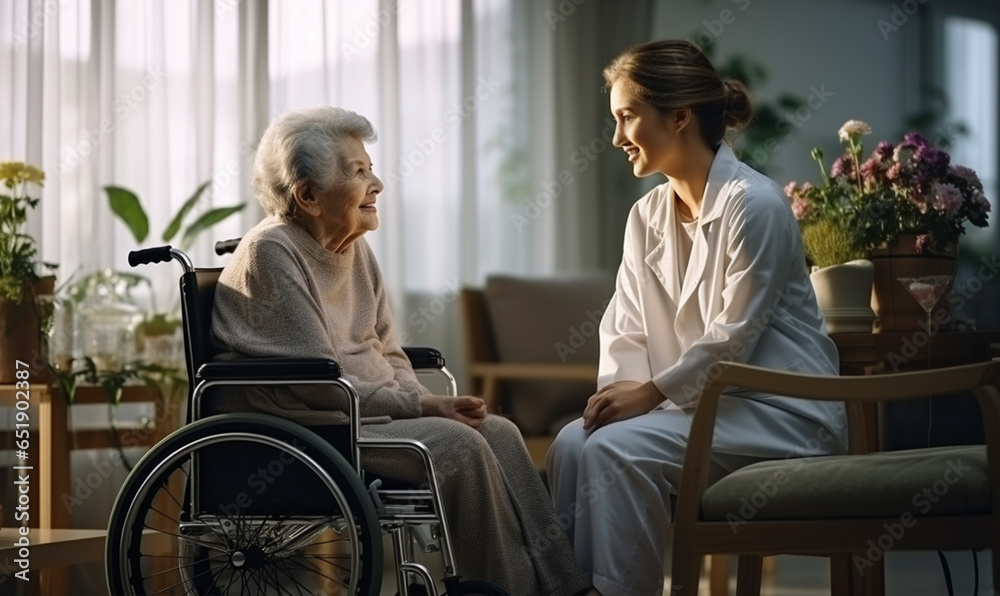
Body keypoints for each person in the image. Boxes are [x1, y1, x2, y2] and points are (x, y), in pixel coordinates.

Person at [210, 105, 591, 596]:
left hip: (365, 415)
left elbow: (386, 349)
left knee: (499, 431)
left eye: (369, 168)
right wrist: (422, 405)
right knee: (460, 446)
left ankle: (567, 588)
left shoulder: (354, 248)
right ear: (307, 195)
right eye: (358, 172)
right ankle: (506, 588)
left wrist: (417, 397)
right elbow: (316, 385)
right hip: (310, 428)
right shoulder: (271, 252)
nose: (378, 184)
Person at [545, 40, 848, 596]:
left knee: (615, 449)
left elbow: (734, 334)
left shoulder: (753, 203)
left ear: (679, 116)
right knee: (571, 443)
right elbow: (626, 324)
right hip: (693, 411)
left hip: (777, 413)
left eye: (627, 117)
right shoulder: (647, 214)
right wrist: (624, 394)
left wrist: (650, 394)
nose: (615, 138)